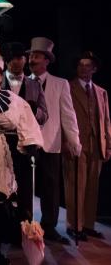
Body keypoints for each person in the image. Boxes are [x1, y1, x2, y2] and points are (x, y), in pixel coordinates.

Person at [0, 38, 43, 264]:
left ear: (0, 75)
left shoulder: (14, 101)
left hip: (3, 156)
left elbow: (27, 123)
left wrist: (31, 143)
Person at [28, 37, 81, 244]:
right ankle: (25, 225)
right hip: (28, 142)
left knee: (50, 187)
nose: (32, 59)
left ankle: (49, 226)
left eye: (37, 56)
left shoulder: (60, 84)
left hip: (51, 142)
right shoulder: (23, 81)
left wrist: (74, 141)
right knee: (25, 188)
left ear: (47, 60)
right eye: (31, 56)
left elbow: (68, 114)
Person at [1, 41, 48, 243]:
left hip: (25, 145)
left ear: (24, 59)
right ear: (6, 61)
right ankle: (2, 231)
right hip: (1, 142)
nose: (16, 62)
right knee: (2, 188)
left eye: (20, 58)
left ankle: (25, 234)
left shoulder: (34, 84)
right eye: (12, 59)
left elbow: (45, 115)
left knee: (26, 189)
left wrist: (34, 110)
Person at [63, 51, 111, 241]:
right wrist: (66, 141)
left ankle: (88, 224)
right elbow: (63, 116)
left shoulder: (101, 92)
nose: (83, 68)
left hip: (96, 143)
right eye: (80, 65)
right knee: (75, 185)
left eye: (87, 65)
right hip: (76, 142)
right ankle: (74, 225)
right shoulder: (69, 87)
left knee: (92, 186)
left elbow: (106, 119)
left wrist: (108, 145)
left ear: (94, 69)